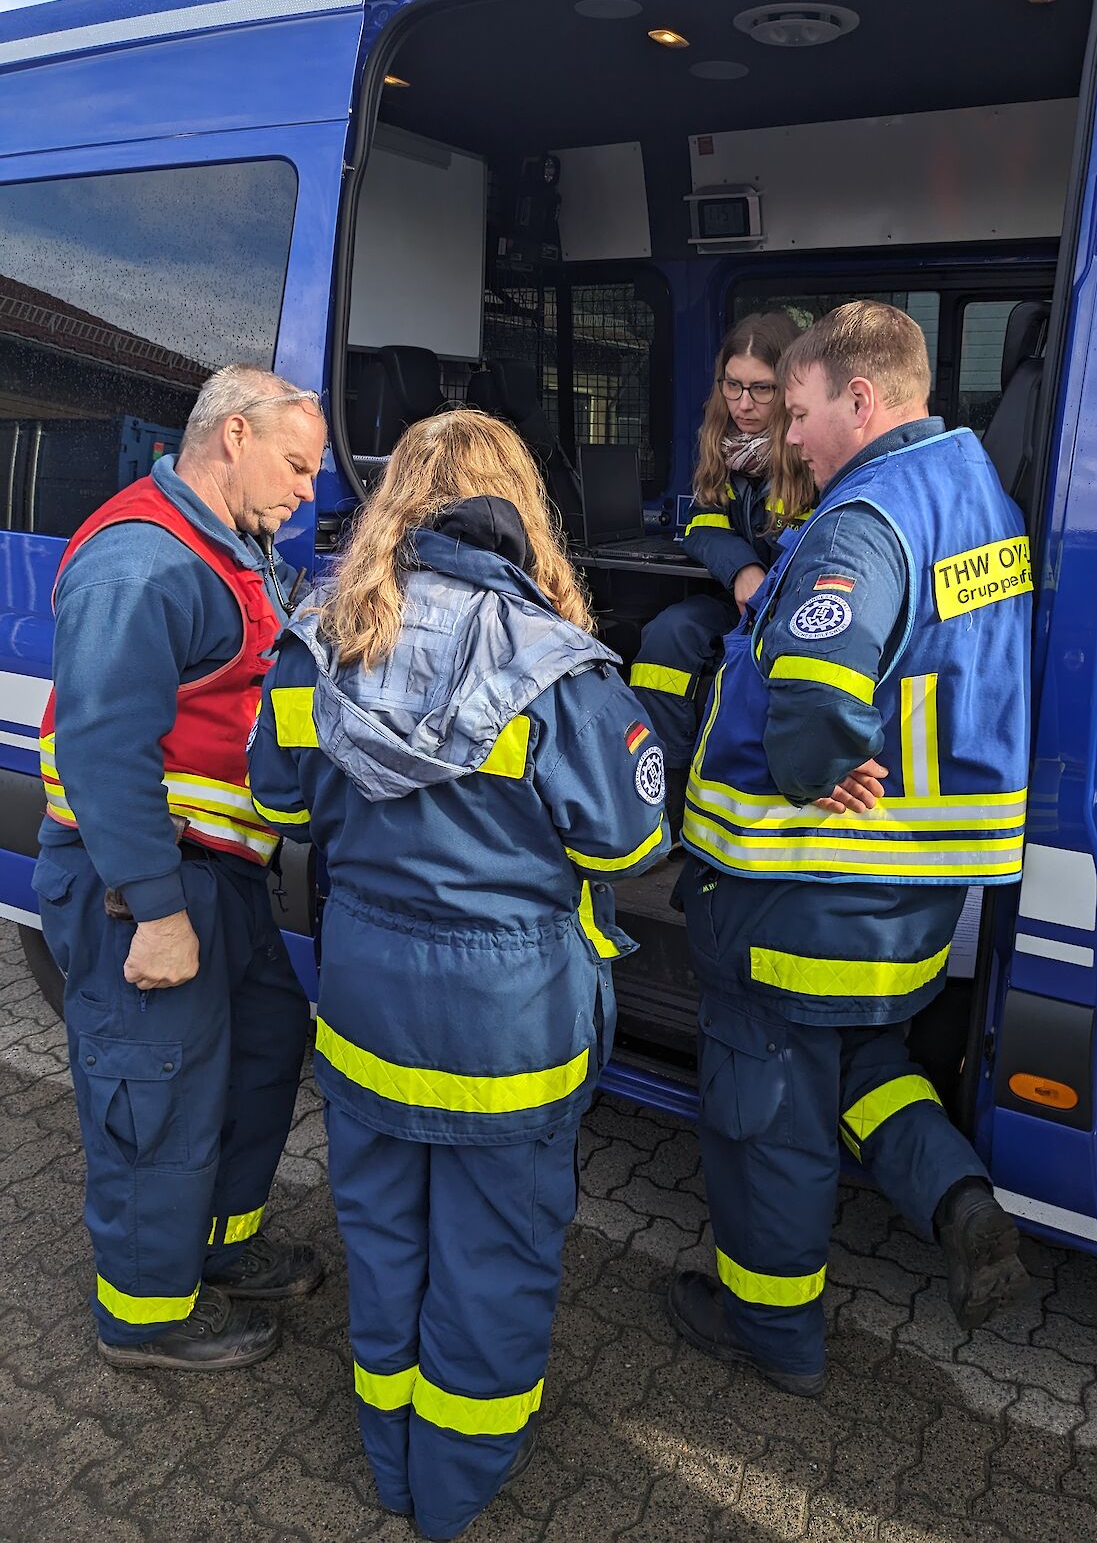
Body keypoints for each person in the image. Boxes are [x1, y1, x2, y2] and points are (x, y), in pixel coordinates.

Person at [248, 409, 667, 1541]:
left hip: (368, 1007)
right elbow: (629, 849)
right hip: (509, 1031)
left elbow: (279, 805)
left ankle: (390, 1462)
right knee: (493, 1262)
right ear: (518, 507)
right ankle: (455, 1490)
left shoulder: (316, 640)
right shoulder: (557, 669)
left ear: (395, 504)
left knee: (383, 1243)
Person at [668, 301, 1033, 1395]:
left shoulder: (866, 518)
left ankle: (772, 1332)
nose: (791, 434)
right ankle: (960, 1201)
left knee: (768, 1107)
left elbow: (818, 693)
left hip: (803, 886)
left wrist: (816, 768)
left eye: (803, 408)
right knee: (867, 1063)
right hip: (911, 897)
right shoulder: (976, 490)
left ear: (859, 401)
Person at [34, 365, 326, 1371]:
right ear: (233, 436)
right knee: (154, 1084)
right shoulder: (143, 560)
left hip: (227, 873)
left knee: (257, 1052)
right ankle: (146, 1314)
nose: (305, 492)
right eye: (295, 466)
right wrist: (157, 912)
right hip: (146, 881)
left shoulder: (231, 548)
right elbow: (104, 749)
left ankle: (221, 1247)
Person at [630, 313, 814, 830]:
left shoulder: (812, 447)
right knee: (667, 635)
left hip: (795, 606)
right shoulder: (721, 442)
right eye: (732, 385)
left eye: (761, 388)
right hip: (736, 598)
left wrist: (764, 576)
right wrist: (743, 569)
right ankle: (659, 801)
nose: (743, 404)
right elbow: (703, 527)